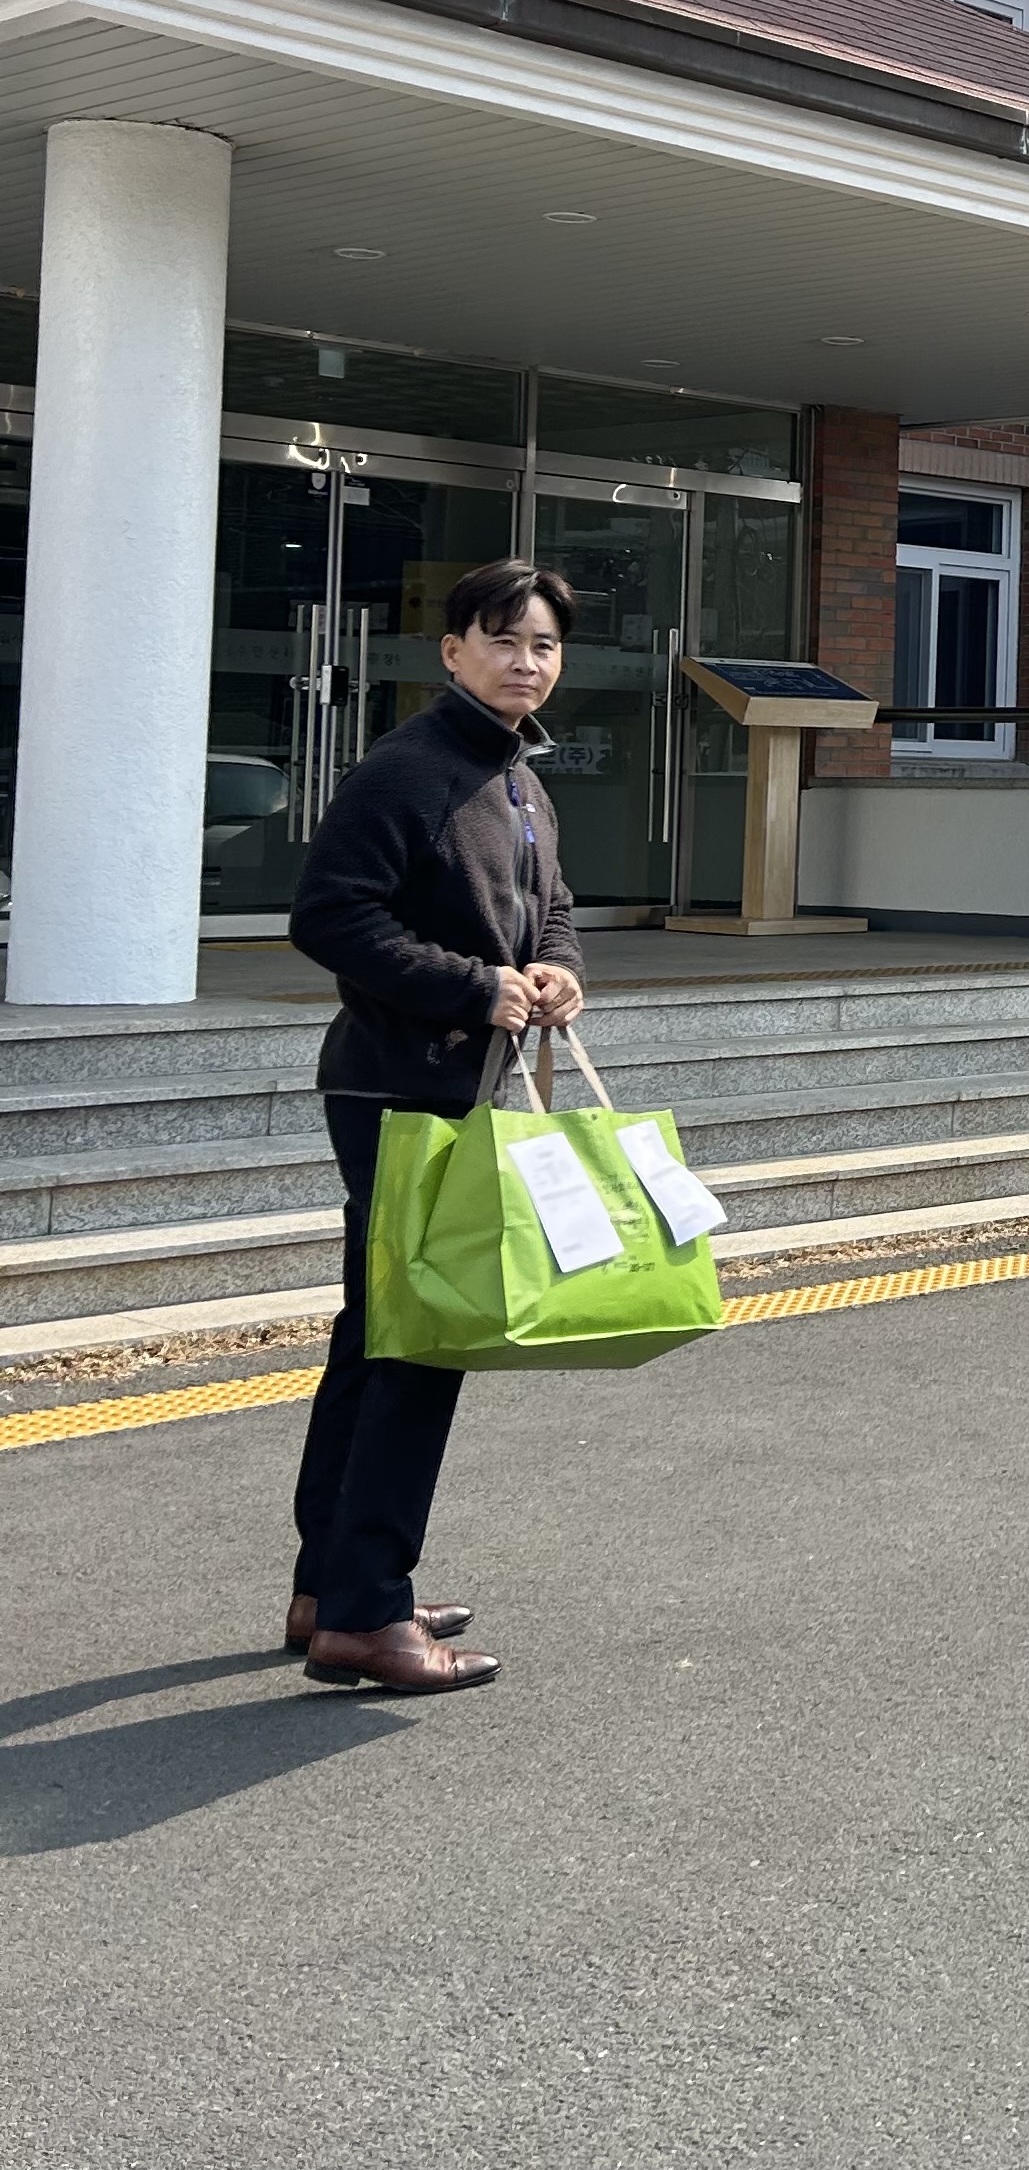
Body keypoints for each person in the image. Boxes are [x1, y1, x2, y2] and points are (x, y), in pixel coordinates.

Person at [283, 559, 588, 1695]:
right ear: (452, 651)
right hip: (394, 1087)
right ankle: (367, 1615)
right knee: (422, 1342)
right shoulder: (409, 769)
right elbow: (328, 915)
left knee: (379, 1333)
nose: (526, 662)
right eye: (502, 640)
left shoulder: (519, 778)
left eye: (543, 645)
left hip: (453, 1085)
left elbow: (550, 910)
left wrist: (555, 970)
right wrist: (472, 985)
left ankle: (330, 1587)